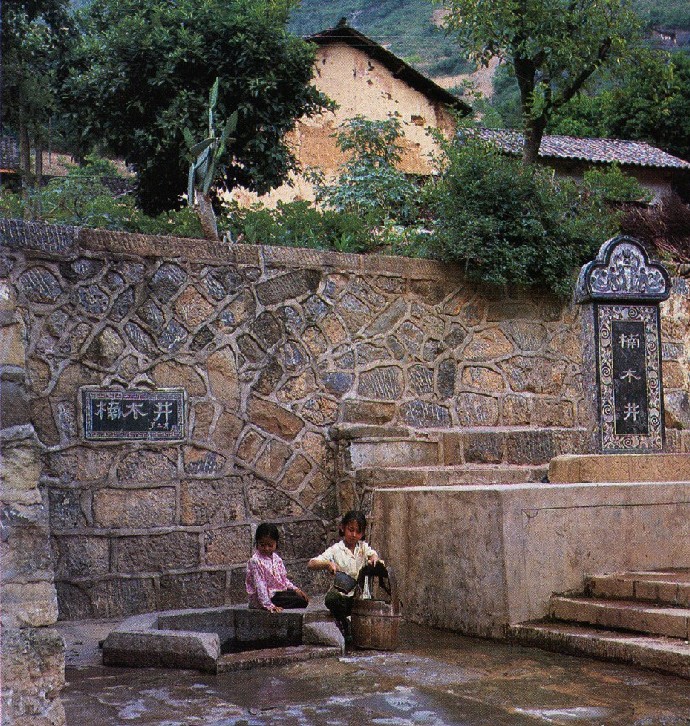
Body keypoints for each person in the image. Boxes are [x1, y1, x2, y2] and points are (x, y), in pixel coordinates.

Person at [308, 510, 379, 642]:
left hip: (361, 598)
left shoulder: (363, 548)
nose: (353, 535)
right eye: (350, 530)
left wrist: (373, 559)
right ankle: (343, 622)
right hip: (343, 598)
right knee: (331, 598)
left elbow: (373, 555)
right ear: (343, 528)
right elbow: (311, 563)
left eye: (358, 531)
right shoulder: (336, 549)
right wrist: (328, 564)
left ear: (362, 533)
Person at [246, 523, 309, 612]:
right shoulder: (255, 561)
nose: (266, 548)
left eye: (270, 545)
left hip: (277, 592)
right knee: (300, 601)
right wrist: (268, 605)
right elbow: (260, 585)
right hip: (266, 597)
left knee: (300, 597)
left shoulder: (276, 559)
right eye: (262, 545)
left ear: (276, 544)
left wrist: (295, 589)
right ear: (257, 543)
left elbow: (283, 579)